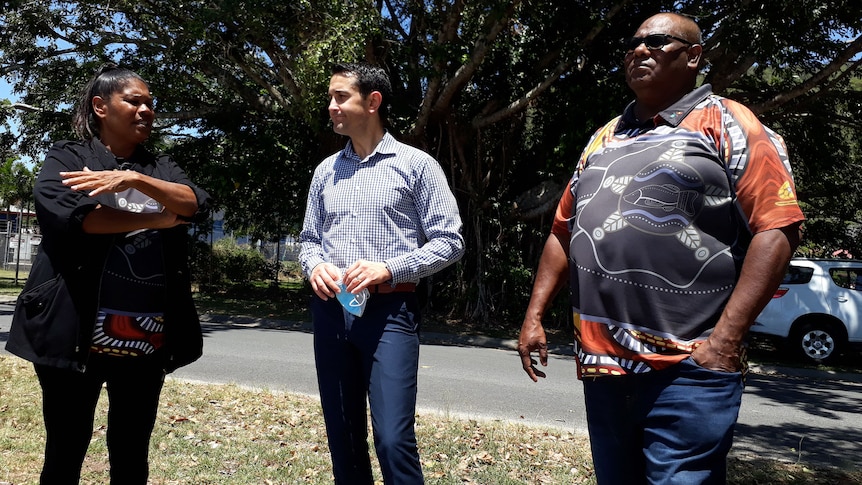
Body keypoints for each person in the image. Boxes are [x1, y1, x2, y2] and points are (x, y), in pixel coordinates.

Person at [517, 13, 805, 484]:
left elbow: (778, 228)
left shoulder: (727, 121)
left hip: (689, 367)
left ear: (693, 57)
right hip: (604, 368)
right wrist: (533, 318)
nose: (639, 50)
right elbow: (562, 232)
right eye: (632, 44)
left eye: (656, 42)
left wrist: (724, 341)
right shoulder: (604, 136)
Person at [6, 64, 212, 484]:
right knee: (65, 449)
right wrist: (157, 218)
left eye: (149, 103)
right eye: (133, 101)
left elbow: (193, 204)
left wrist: (132, 179)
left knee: (132, 452)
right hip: (75, 332)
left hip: (146, 335)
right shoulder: (68, 156)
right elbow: (77, 219)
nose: (145, 110)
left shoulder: (159, 166)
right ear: (101, 106)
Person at [299, 62, 464, 484]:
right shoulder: (325, 171)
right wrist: (314, 265)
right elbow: (309, 239)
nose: (331, 106)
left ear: (373, 102)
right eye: (330, 97)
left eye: (341, 97)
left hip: (391, 314)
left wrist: (389, 267)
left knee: (392, 438)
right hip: (331, 312)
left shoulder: (417, 165)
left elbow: (450, 240)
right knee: (343, 435)